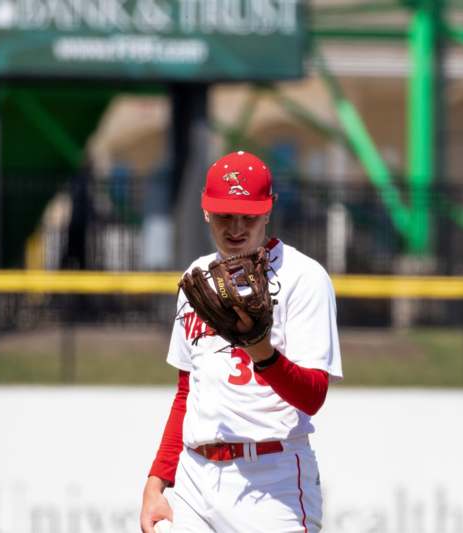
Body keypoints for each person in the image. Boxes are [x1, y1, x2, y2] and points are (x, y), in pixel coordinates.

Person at [140, 150, 343, 533]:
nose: (236, 228)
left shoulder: (304, 278)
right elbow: (187, 392)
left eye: (248, 216)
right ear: (204, 210)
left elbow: (313, 396)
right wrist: (156, 482)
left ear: (268, 210)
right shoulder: (196, 278)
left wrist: (261, 352)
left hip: (272, 481)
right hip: (194, 479)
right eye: (224, 215)